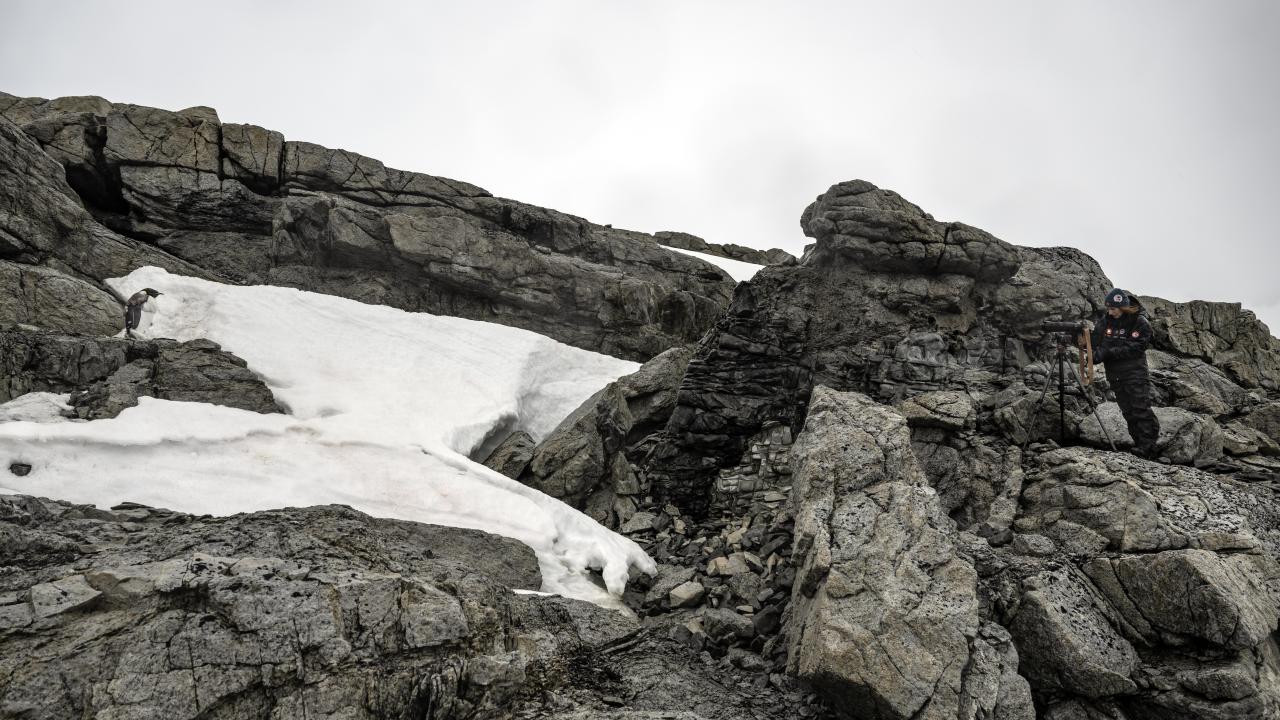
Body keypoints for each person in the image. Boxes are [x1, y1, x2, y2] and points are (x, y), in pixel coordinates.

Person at [1087, 288, 1160, 459]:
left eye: (1113, 309)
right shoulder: (1106, 321)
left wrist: (1109, 352)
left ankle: (1148, 447)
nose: (1110, 312)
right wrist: (1094, 353)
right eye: (1108, 309)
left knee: (1140, 409)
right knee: (1127, 410)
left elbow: (1137, 347)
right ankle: (1139, 444)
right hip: (1115, 375)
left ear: (1123, 308)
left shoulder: (1139, 322)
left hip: (1135, 373)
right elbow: (1095, 343)